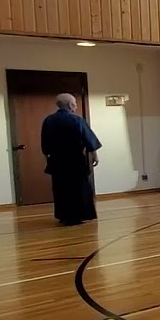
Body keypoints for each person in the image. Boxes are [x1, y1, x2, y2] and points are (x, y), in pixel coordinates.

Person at [40, 92, 102, 226]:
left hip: (57, 161)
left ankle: (64, 216)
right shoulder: (76, 120)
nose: (76, 107)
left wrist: (48, 159)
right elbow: (88, 139)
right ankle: (77, 216)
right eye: (75, 104)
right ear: (70, 105)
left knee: (60, 188)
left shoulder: (49, 120)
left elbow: (45, 145)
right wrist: (95, 156)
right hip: (75, 160)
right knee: (78, 188)